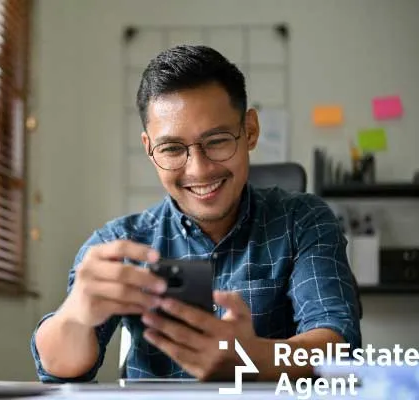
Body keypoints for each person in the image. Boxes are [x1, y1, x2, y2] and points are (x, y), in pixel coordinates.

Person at [31, 45, 361, 382]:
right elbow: (60, 370)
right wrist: (74, 316)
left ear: (250, 131)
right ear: (149, 148)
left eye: (217, 141)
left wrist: (253, 358)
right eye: (173, 149)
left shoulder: (303, 221)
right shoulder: (120, 243)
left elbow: (339, 345)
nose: (199, 171)